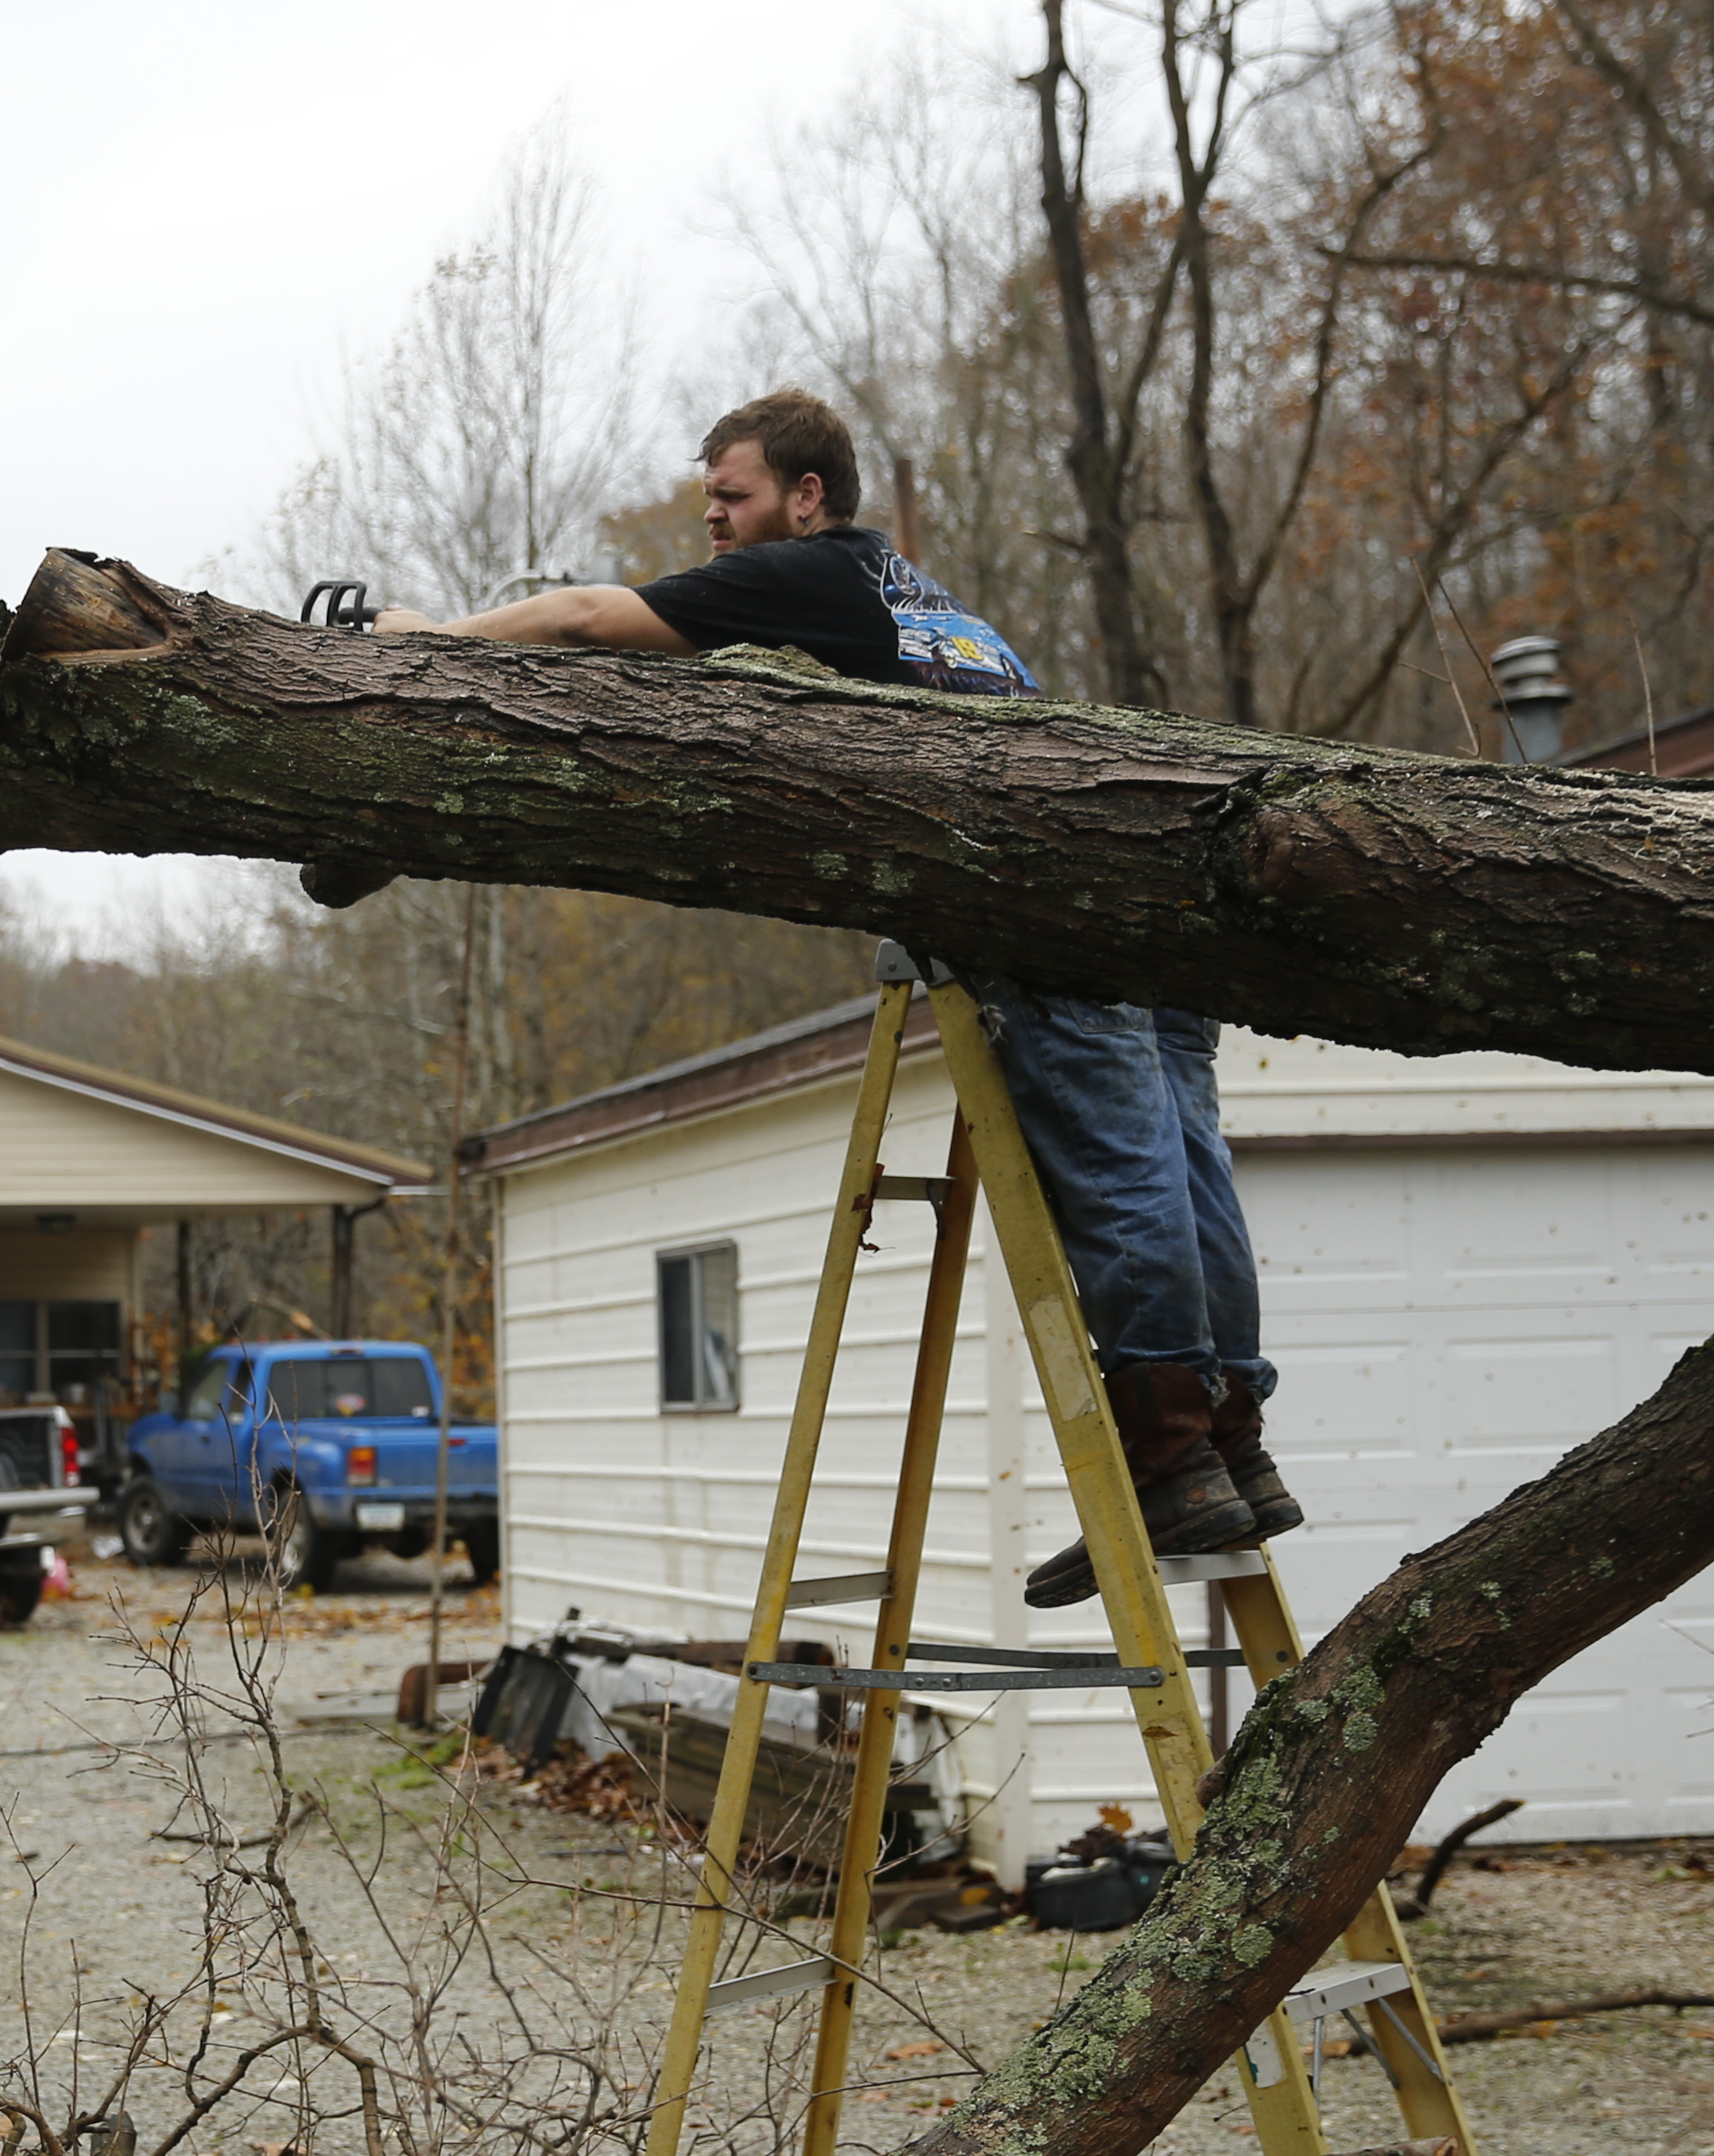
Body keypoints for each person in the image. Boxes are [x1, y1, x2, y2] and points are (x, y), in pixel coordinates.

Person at [374, 387, 1293, 1605]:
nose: (713, 520)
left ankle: (1172, 1467)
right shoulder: (934, 608)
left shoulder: (813, 578)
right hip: (1136, 882)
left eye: (731, 496)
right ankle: (1235, 1449)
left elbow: (594, 615)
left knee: (1124, 1171)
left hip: (1044, 901)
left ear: (807, 498)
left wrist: (432, 638)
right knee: (1187, 1165)